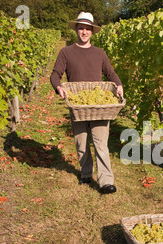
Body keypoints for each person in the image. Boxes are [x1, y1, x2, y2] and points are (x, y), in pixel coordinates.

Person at [50, 12, 123, 194]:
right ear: (76, 29)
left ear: (92, 31)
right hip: (77, 104)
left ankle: (106, 181)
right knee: (81, 142)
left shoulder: (99, 53)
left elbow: (111, 74)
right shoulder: (66, 52)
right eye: (81, 28)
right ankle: (85, 173)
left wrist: (119, 85)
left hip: (99, 105)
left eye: (87, 29)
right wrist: (58, 88)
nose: (84, 32)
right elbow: (55, 74)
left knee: (100, 143)